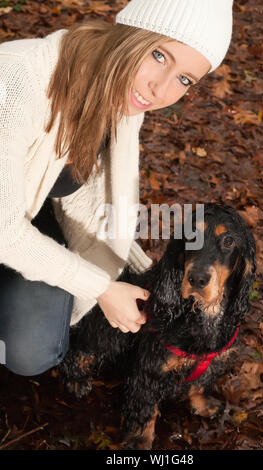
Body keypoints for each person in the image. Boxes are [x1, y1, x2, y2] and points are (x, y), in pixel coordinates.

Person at [0, 0, 234, 376]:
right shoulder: (16, 79)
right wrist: (102, 288)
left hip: (28, 210)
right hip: (5, 225)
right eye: (159, 55)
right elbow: (3, 229)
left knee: (33, 349)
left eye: (184, 80)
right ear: (131, 32)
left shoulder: (120, 96)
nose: (160, 89)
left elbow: (82, 196)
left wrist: (145, 273)